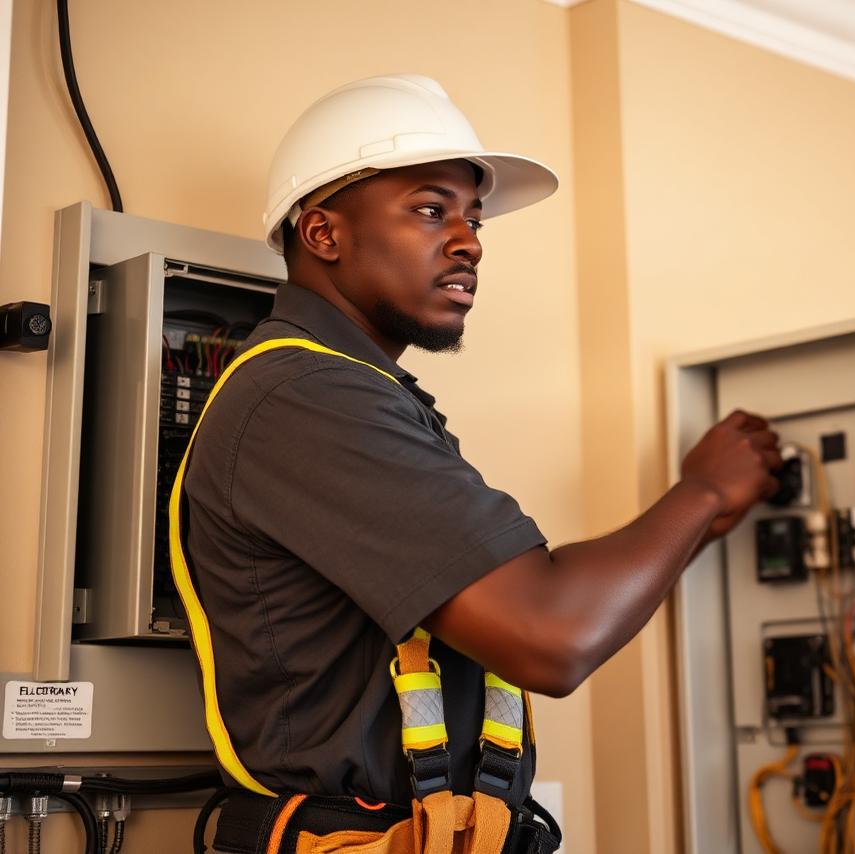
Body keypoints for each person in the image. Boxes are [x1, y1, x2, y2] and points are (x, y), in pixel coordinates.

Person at [174, 74, 780, 854]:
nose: (468, 241)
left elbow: (534, 609)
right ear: (323, 234)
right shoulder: (306, 397)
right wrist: (700, 492)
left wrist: (709, 510)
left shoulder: (359, 392)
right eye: (430, 210)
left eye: (473, 216)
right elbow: (551, 633)